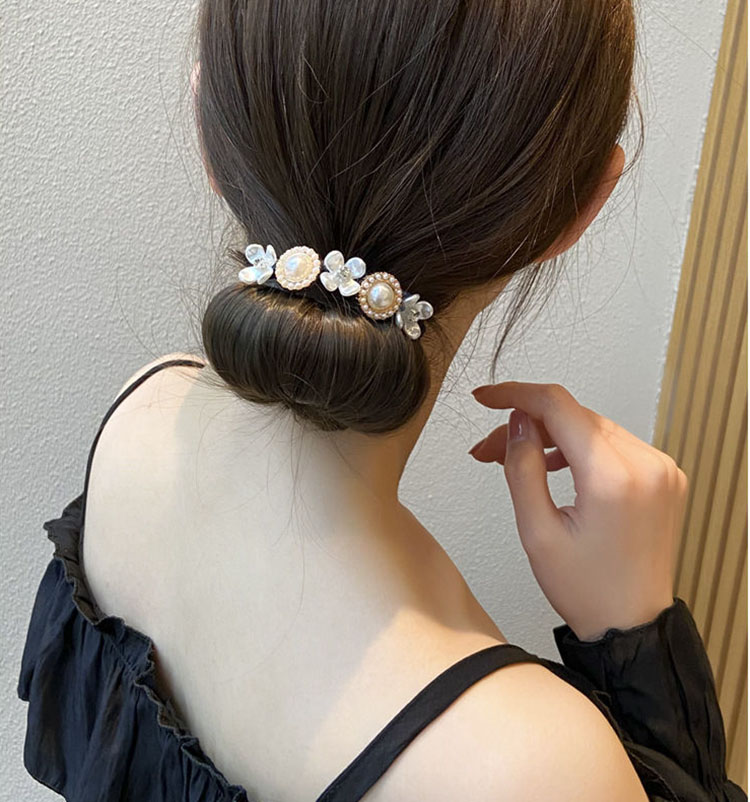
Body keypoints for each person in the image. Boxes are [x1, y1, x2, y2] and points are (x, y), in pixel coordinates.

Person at [17, 0, 746, 800]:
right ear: (578, 210)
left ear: (208, 131)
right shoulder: (525, 768)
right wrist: (638, 648)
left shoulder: (142, 414)